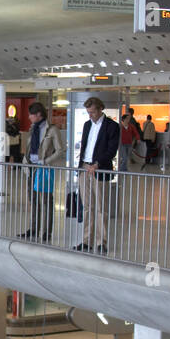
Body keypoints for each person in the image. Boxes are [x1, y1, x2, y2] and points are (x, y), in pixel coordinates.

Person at [73, 97, 120, 253]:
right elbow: (84, 146)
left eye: (92, 112)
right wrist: (82, 166)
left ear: (101, 109)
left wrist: (97, 164)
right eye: (88, 112)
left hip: (99, 170)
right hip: (85, 169)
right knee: (87, 207)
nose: (90, 115)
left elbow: (112, 150)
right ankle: (87, 241)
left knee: (101, 208)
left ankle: (101, 242)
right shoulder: (87, 125)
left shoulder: (112, 126)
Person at [18, 101, 64, 242]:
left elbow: (60, 150)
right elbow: (29, 146)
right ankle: (33, 228)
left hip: (43, 168)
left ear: (38, 114)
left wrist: (46, 161)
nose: (29, 117)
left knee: (46, 200)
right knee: (33, 199)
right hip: (31, 167)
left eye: (31, 115)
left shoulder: (52, 130)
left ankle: (46, 232)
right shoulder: (33, 128)